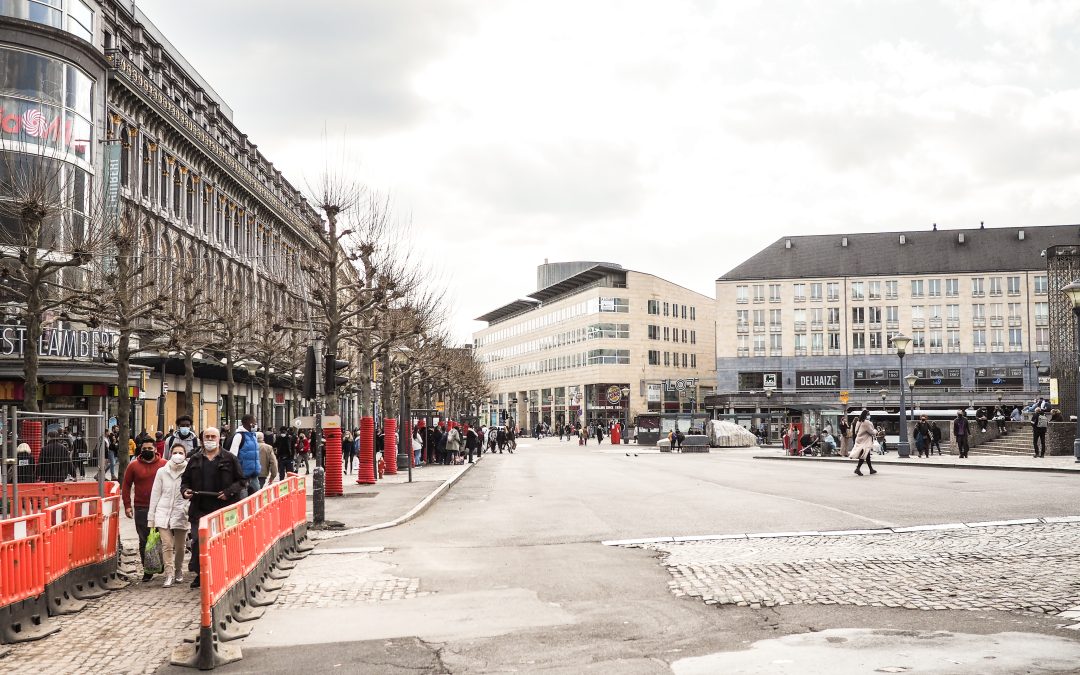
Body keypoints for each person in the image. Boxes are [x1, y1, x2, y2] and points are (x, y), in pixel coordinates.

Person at [181, 427, 244, 588]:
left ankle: (222, 571)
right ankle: (200, 573)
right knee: (197, 542)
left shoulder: (230, 458)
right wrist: (185, 491)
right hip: (199, 508)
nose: (210, 439)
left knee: (220, 542)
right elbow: (185, 481)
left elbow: (242, 481)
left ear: (219, 439)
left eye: (213, 436)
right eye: (207, 437)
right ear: (202, 439)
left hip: (223, 508)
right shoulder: (194, 459)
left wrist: (229, 492)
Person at [121, 437, 166, 581]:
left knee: (163, 538)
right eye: (144, 449)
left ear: (155, 449)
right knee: (144, 540)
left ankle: (162, 564)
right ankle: (148, 570)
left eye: (150, 448)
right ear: (141, 450)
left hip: (161, 507)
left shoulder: (164, 465)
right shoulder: (133, 466)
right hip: (141, 507)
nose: (147, 451)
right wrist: (127, 505)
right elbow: (126, 485)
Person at [148, 442, 190, 587]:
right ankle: (169, 573)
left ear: (185, 455)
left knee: (180, 546)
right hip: (163, 511)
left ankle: (178, 570)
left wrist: (187, 508)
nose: (178, 455)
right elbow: (155, 494)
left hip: (181, 512)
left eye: (181, 453)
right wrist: (151, 517)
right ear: (170, 454)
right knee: (167, 544)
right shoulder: (162, 471)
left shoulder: (190, 471)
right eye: (175, 452)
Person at [850, 410, 877, 476]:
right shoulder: (866, 422)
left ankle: (871, 469)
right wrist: (876, 431)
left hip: (859, 439)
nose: (869, 416)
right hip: (865, 441)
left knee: (866, 455)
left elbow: (856, 431)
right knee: (864, 455)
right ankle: (858, 468)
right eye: (868, 414)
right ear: (866, 415)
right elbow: (872, 432)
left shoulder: (859, 422)